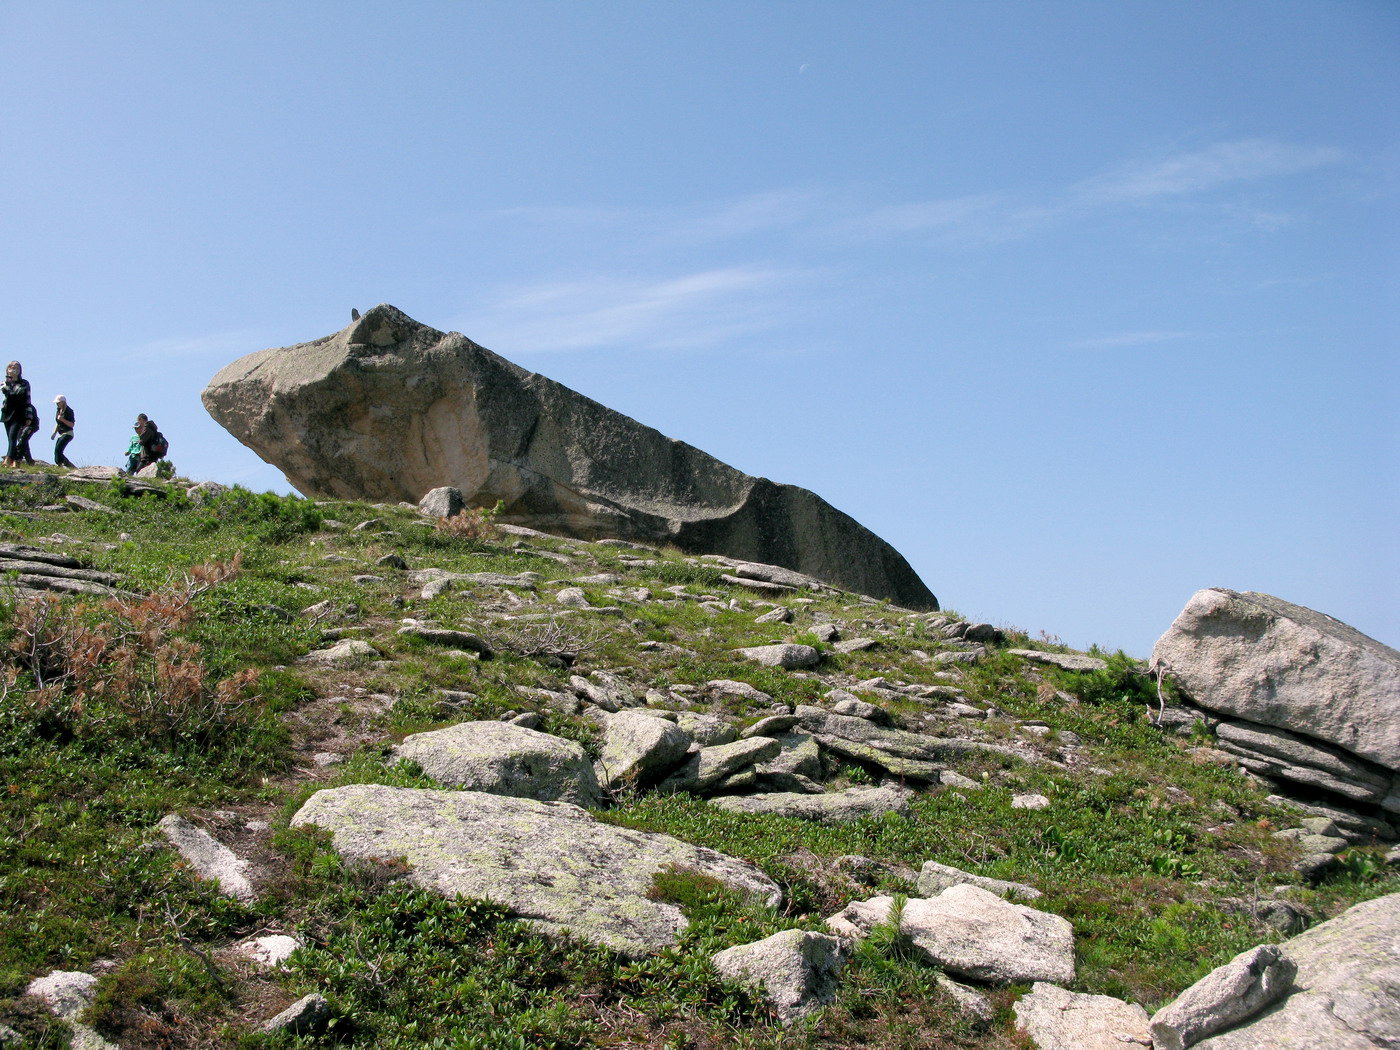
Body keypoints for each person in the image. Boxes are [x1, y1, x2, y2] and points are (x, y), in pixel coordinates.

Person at [1, 361, 31, 468]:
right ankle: (15, 461)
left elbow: (26, 399)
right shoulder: (5, 383)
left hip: (19, 413)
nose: (15, 370)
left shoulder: (24, 383)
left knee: (13, 436)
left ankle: (8, 459)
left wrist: (29, 416)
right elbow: (7, 393)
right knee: (10, 437)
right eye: (12, 368)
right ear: (8, 369)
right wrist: (8, 381)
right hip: (7, 413)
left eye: (17, 368)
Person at [51, 395, 75, 468]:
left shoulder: (69, 411)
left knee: (58, 449)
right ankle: (65, 465)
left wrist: (62, 419)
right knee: (57, 451)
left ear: (63, 402)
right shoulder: (58, 410)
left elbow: (71, 424)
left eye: (58, 402)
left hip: (68, 433)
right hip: (61, 434)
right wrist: (54, 433)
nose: (57, 404)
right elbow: (58, 423)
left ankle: (62, 465)